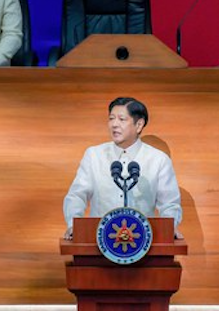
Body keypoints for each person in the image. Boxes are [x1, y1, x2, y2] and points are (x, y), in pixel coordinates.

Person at [63, 97, 183, 240]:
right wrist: (74, 225)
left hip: (142, 242)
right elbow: (77, 195)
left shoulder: (159, 160)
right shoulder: (94, 155)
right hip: (97, 241)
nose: (114, 124)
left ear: (139, 125)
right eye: (111, 118)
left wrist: (169, 228)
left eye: (121, 119)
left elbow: (169, 204)